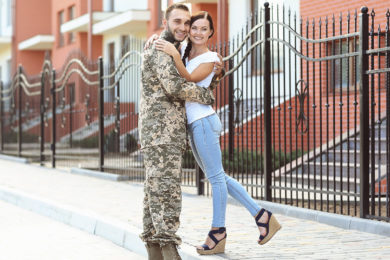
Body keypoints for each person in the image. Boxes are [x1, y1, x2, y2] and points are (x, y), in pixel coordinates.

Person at [154, 11, 281, 255]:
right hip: (194, 124)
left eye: (204, 29)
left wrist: (172, 54)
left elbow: (190, 78)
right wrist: (156, 40)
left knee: (216, 179)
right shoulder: (184, 51)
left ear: (211, 33)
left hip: (203, 121)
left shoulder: (212, 58)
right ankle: (263, 217)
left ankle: (218, 232)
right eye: (195, 28)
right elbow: (168, 42)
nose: (198, 32)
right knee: (220, 177)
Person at [139, 4, 224, 260]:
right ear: (165, 22)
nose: (183, 27)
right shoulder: (162, 50)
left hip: (162, 134)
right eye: (177, 21)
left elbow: (192, 74)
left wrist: (216, 75)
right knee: (167, 193)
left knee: (154, 192)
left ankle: (155, 250)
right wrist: (207, 95)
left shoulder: (175, 49)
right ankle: (169, 251)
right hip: (162, 134)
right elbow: (176, 87)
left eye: (187, 23)